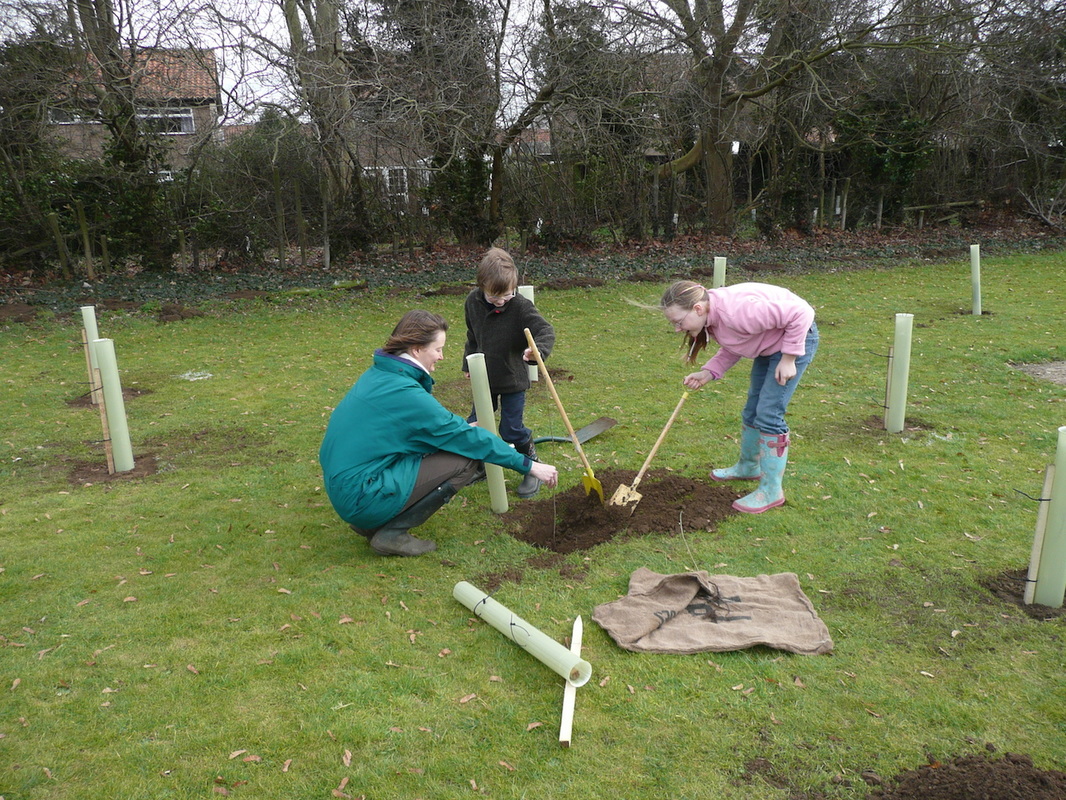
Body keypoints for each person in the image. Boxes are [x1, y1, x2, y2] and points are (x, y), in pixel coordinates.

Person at [319, 309, 559, 556]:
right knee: (467, 459)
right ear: (416, 350)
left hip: (347, 488)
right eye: (438, 349)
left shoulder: (382, 375)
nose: (442, 356)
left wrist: (460, 430)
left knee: (456, 443)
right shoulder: (405, 393)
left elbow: (415, 430)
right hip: (362, 494)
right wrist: (530, 466)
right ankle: (392, 533)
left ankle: (372, 522)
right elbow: (470, 441)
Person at [659, 280, 818, 514]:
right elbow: (735, 344)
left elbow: (801, 312)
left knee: (769, 414)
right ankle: (748, 467)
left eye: (678, 322)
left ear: (698, 309)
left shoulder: (737, 311)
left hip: (793, 342)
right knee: (752, 411)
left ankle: (771, 491)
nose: (677, 329)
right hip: (769, 345)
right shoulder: (714, 318)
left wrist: (789, 358)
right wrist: (708, 372)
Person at [462, 247, 556, 499]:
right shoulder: (472, 302)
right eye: (495, 296)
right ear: (482, 286)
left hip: (512, 378)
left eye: (507, 294)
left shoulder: (520, 306)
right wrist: (468, 364)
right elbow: (472, 336)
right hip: (484, 378)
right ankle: (482, 466)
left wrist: (538, 351)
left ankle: (531, 466)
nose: (502, 301)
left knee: (511, 430)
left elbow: (545, 331)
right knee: (478, 424)